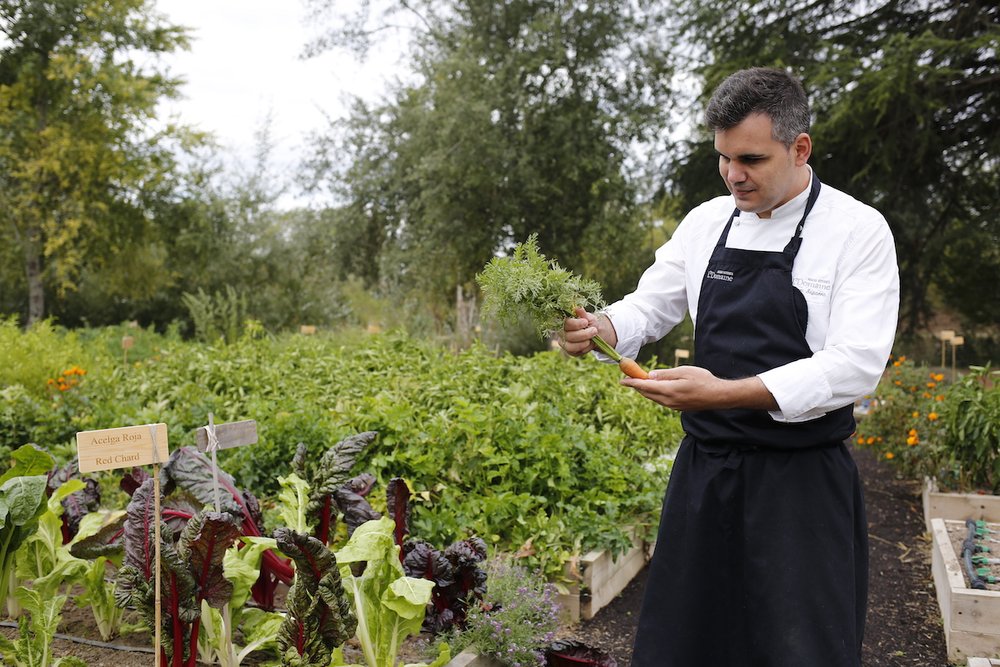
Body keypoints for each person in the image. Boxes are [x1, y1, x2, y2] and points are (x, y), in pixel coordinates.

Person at [560, 67, 899, 666]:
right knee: (687, 646)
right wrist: (604, 327)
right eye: (722, 157)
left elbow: (855, 365)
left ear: (800, 149)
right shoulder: (706, 222)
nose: (732, 174)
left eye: (751, 159)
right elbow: (652, 302)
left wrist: (726, 393)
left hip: (801, 487)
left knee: (800, 650)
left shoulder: (857, 231)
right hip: (705, 478)